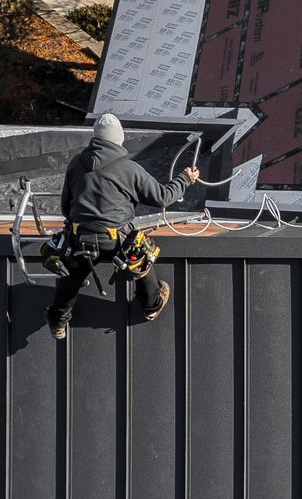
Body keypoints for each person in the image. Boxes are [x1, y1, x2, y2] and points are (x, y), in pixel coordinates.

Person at [49, 113, 199, 339]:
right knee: (141, 254)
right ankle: (151, 305)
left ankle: (58, 323)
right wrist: (185, 179)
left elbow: (65, 207)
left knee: (71, 274)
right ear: (119, 139)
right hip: (117, 241)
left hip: (81, 238)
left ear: (96, 139)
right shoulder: (129, 168)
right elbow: (162, 197)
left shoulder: (77, 164)